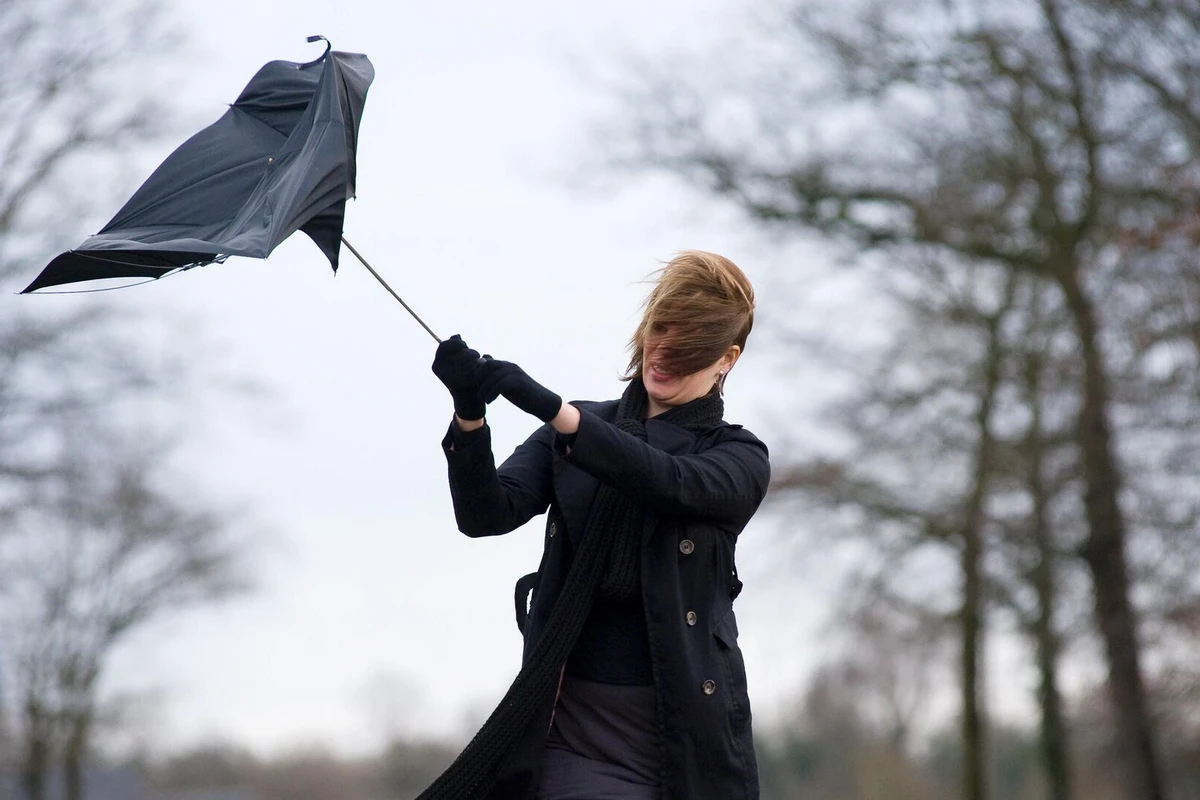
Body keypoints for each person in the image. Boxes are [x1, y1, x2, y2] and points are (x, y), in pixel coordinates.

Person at [424, 251, 770, 800]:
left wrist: (556, 412)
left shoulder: (737, 457)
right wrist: (470, 415)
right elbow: (485, 515)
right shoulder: (580, 428)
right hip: (574, 726)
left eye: (688, 351)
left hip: (686, 737)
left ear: (726, 359)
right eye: (661, 333)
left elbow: (668, 479)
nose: (664, 356)